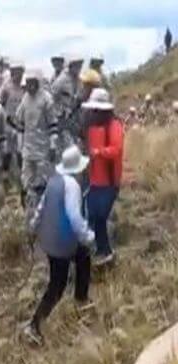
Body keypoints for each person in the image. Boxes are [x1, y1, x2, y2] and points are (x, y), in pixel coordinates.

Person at [24, 146, 95, 345]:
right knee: (58, 284)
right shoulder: (72, 186)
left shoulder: (54, 181)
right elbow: (74, 216)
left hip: (49, 239)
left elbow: (41, 208)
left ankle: (80, 300)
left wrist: (33, 227)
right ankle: (35, 325)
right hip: (63, 241)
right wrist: (87, 235)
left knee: (80, 261)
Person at [83, 88, 124, 266]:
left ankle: (106, 252)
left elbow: (116, 149)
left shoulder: (114, 126)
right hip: (94, 181)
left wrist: (98, 152)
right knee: (91, 216)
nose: (94, 112)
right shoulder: (91, 127)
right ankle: (98, 251)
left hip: (109, 182)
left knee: (100, 217)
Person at [15, 68, 59, 224]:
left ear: (38, 82)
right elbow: (20, 125)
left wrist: (53, 145)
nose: (30, 86)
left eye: (32, 82)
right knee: (27, 183)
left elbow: (53, 125)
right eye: (28, 83)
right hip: (28, 149)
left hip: (43, 150)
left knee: (43, 183)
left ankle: (45, 218)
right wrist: (20, 148)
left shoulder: (46, 99)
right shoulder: (25, 100)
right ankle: (29, 216)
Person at [0, 61, 26, 177]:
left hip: (21, 124)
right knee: (8, 151)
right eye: (14, 71)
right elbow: (0, 102)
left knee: (20, 151)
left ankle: (22, 176)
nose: (17, 74)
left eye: (19, 71)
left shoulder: (25, 86)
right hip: (9, 123)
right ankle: (5, 175)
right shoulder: (6, 86)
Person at [52, 56, 84, 151]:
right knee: (66, 147)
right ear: (70, 66)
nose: (79, 68)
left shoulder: (79, 80)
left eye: (80, 65)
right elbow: (52, 96)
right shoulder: (61, 80)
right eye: (76, 65)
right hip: (62, 118)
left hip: (74, 118)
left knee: (75, 145)